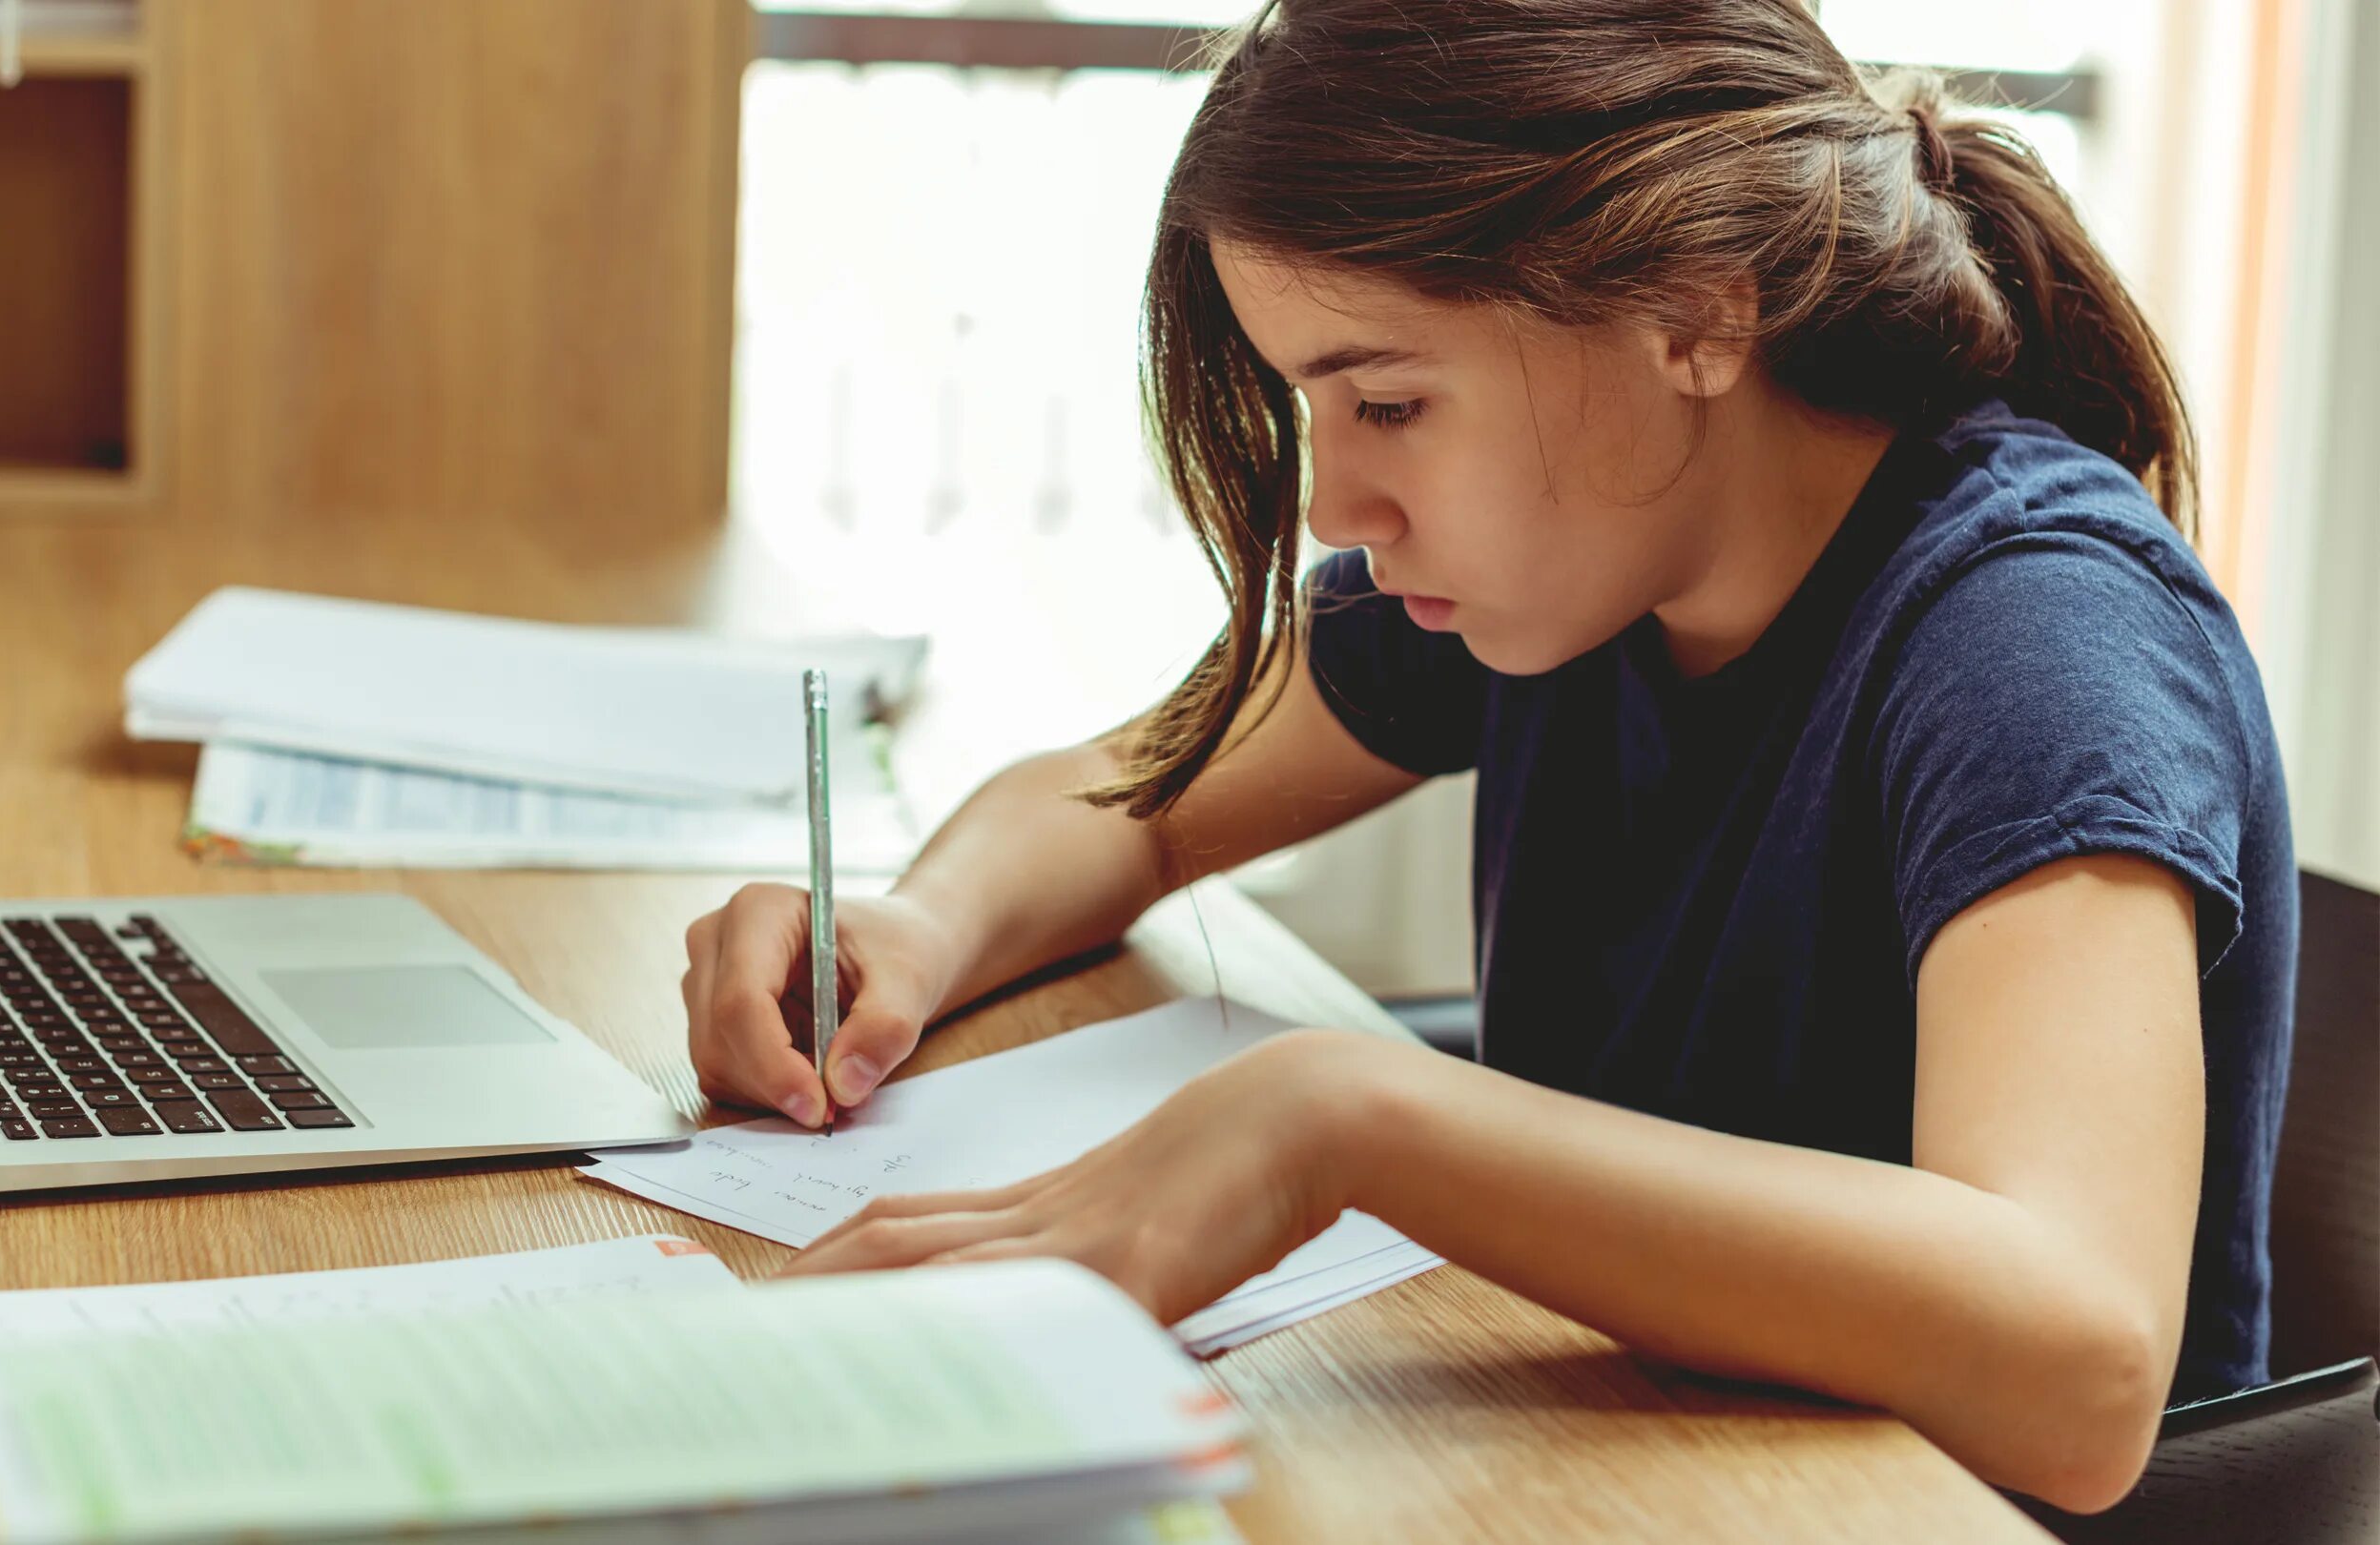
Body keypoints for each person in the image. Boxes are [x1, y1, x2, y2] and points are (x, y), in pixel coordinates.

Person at [676, 0, 2294, 1514]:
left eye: (1385, 401)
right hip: (1639, 1477)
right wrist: (913, 928)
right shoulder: (1577, 564)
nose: (1336, 511)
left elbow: (2081, 1358)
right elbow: (1130, 800)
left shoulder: (2034, 638)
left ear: (1698, 313)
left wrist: (1352, 1120)